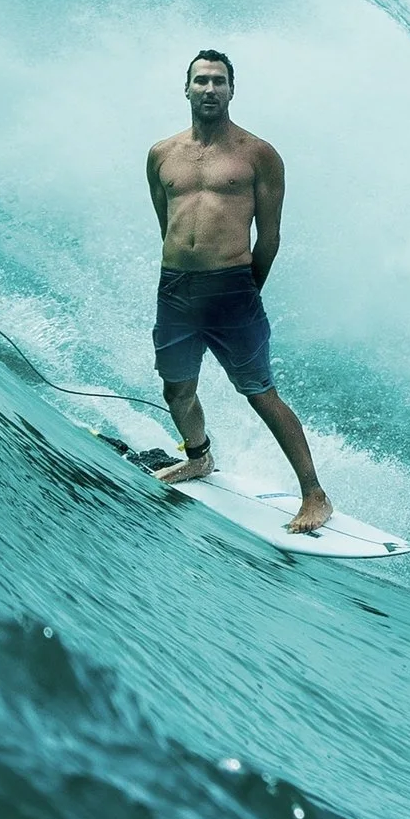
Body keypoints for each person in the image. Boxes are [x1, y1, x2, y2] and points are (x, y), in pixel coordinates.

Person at [144, 50, 332, 534]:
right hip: (177, 288)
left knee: (260, 392)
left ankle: (314, 494)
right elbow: (167, 223)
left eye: (219, 82)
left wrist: (247, 290)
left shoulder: (258, 154)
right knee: (176, 387)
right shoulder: (162, 154)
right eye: (201, 81)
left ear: (232, 90)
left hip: (233, 291)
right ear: (185, 89)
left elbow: (268, 237)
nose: (210, 89)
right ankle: (198, 457)